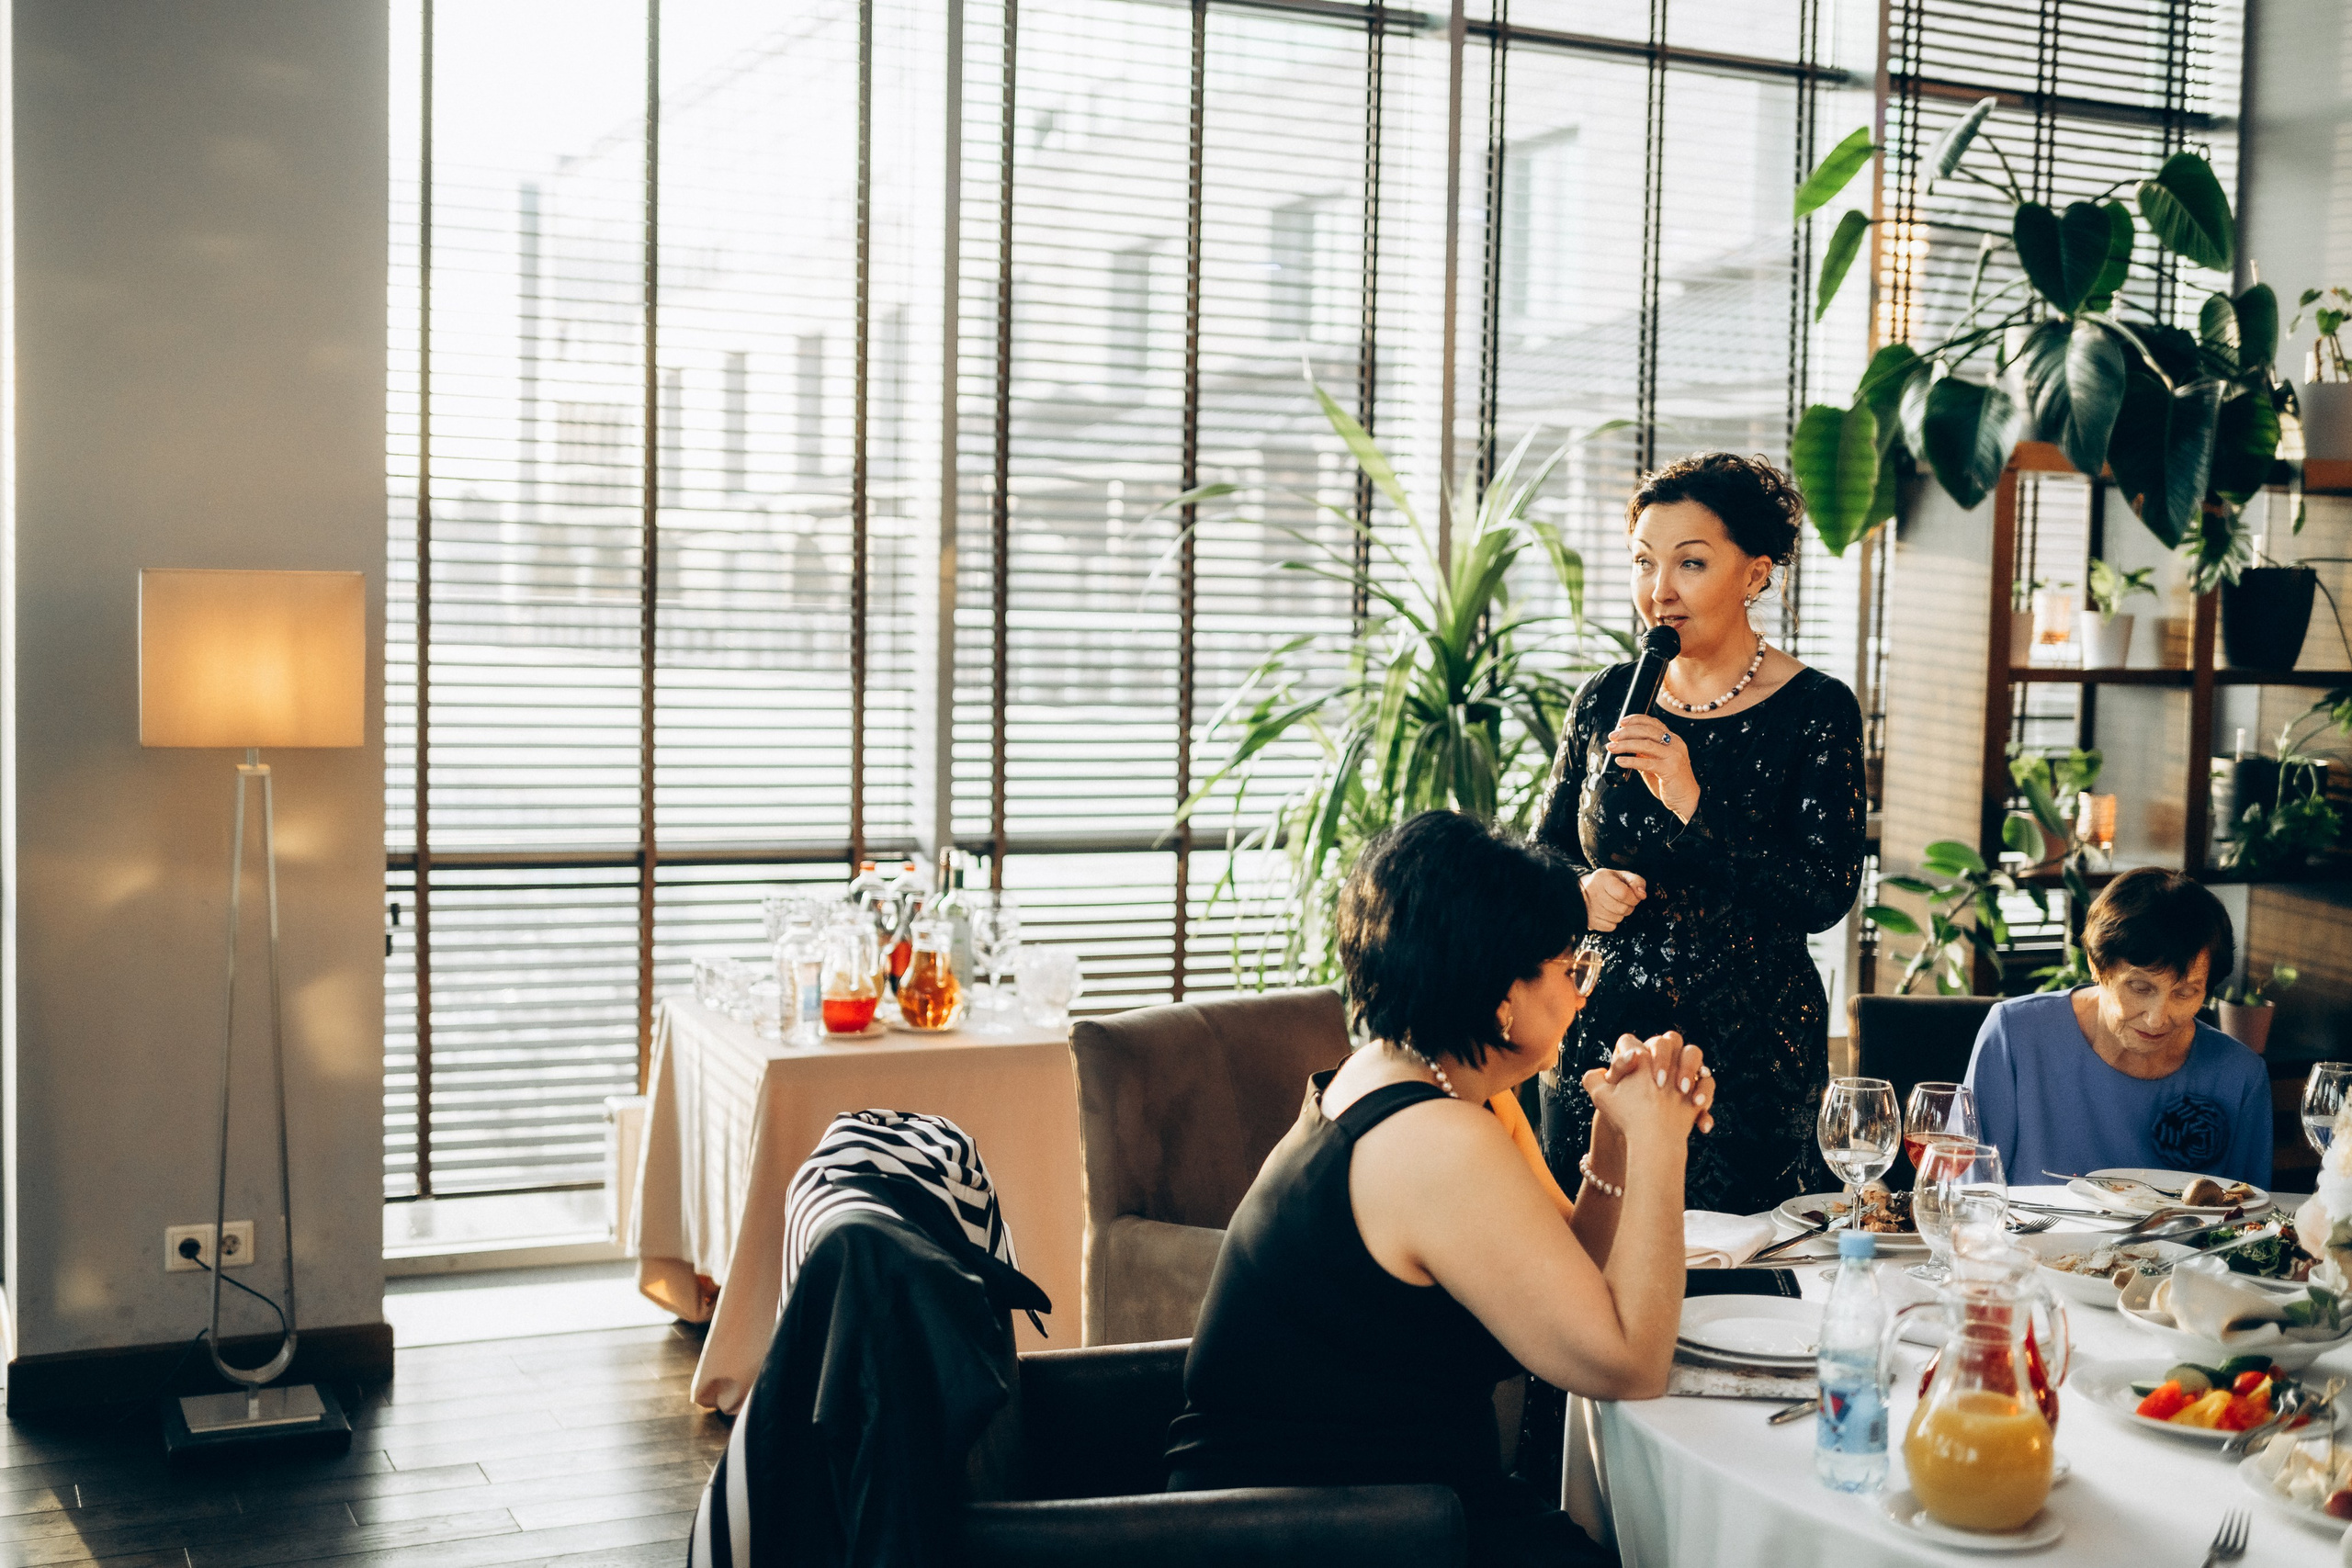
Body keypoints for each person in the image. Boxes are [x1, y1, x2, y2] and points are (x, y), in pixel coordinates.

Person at [1165, 810, 1713, 1567]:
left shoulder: (1423, 1076)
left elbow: (1574, 1272)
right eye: (1569, 969)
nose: (1583, 994)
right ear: (1502, 999)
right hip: (1324, 1531)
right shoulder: (1435, 1141)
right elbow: (1628, 1366)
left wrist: (1614, 1142)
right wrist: (1663, 1145)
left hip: (1385, 1502)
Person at [1532, 452, 1867, 1214]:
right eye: (1644, 562)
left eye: (1690, 562)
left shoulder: (1816, 709)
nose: (1660, 590)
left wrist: (1696, 809)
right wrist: (1577, 890)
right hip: (1598, 1034)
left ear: (1754, 573)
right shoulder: (1606, 698)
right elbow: (1541, 851)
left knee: (1739, 1275)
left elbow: (1823, 893)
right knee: (1587, 1253)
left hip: (1751, 1049)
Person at [1965, 867, 2271, 1187]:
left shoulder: (2240, 1076)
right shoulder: (2015, 1036)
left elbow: (2249, 1220)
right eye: (2140, 988)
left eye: (2184, 993)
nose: (2157, 1018)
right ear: (2097, 966)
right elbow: (1969, 1200)